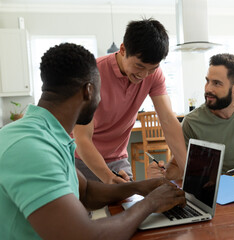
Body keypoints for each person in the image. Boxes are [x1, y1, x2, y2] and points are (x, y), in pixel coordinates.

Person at [0, 43, 185, 239]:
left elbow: (86, 192)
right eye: (100, 91)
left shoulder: (48, 134)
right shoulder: (30, 148)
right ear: (89, 90)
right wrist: (149, 204)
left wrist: (139, 186)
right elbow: (84, 236)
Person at [73, 18, 187, 184]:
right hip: (80, 158)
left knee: (130, 206)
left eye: (152, 68)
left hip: (117, 158)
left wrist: (187, 171)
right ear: (123, 49)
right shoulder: (92, 74)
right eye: (139, 66)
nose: (144, 75)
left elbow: (168, 120)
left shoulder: (154, 75)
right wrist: (108, 178)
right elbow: (82, 138)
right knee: (81, 210)